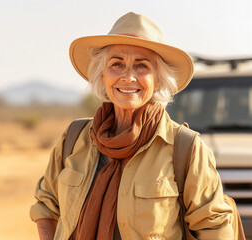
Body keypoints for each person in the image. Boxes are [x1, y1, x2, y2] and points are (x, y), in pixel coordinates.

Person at [30, 12, 234, 240]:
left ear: (158, 79)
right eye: (117, 64)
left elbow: (214, 228)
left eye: (141, 66)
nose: (128, 77)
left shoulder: (186, 148)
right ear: (103, 74)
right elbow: (46, 205)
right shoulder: (75, 138)